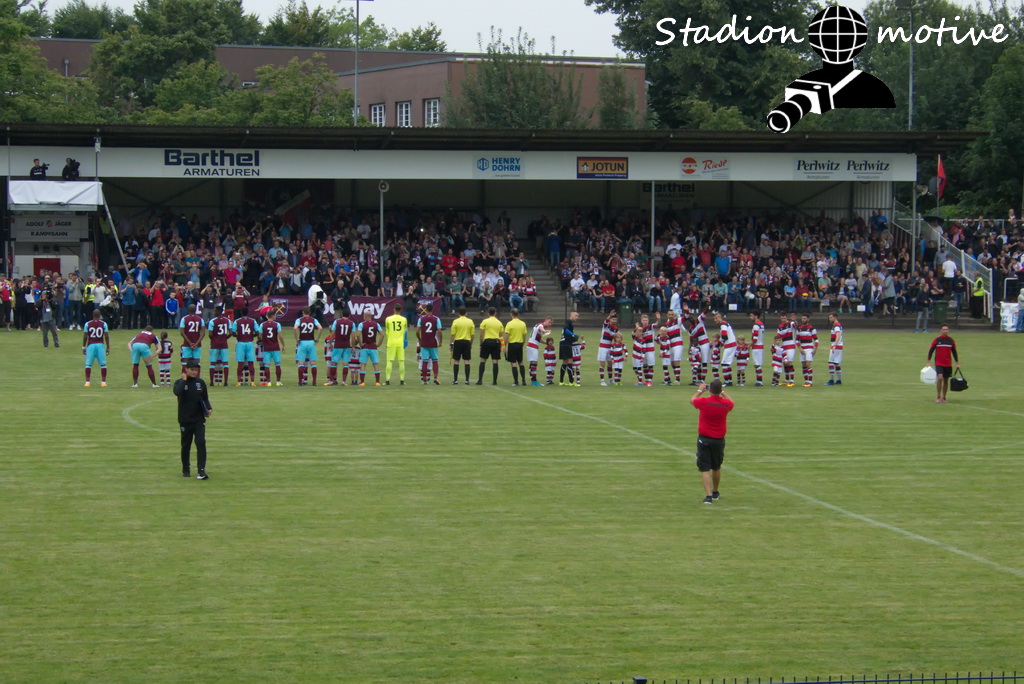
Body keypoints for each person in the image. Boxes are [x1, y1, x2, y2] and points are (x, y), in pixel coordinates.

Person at [691, 378, 734, 505]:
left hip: (704, 438)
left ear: (710, 390)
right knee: (716, 467)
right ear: (720, 390)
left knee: (705, 468)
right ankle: (715, 492)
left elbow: (692, 400)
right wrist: (722, 392)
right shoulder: (725, 404)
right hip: (719, 439)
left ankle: (708, 496)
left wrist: (700, 390)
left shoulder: (704, 402)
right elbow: (731, 402)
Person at [174, 360, 212, 480]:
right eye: (192, 370)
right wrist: (184, 380)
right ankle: (186, 469)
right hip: (185, 419)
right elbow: (177, 392)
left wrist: (209, 408)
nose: (194, 372)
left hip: (198, 419)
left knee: (201, 442)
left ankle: (201, 470)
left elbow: (205, 398)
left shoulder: (200, 383)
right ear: (186, 369)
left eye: (196, 370)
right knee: (186, 445)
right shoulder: (179, 382)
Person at [927, 324, 960, 403]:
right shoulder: (937, 340)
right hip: (939, 363)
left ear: (948, 330)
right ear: (941, 330)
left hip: (948, 363)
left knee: (946, 380)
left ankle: (944, 397)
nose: (945, 331)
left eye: (946, 329)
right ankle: (938, 396)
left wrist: (957, 363)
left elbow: (954, 352)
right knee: (940, 378)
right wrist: (928, 362)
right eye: (943, 329)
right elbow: (931, 350)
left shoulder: (951, 341)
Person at [326, 306, 357, 386]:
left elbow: (332, 333)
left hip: (338, 345)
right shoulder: (352, 323)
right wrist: (353, 346)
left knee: (334, 363)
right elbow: (353, 336)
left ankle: (331, 380)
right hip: (346, 345)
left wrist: (329, 343)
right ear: (349, 315)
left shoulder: (337, 322)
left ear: (341, 314)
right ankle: (343, 381)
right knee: (345, 363)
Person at [294, 307, 322, 386]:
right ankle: (314, 381)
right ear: (310, 313)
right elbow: (320, 328)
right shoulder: (313, 320)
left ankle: (300, 381)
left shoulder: (299, 320)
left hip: (302, 342)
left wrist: (297, 338)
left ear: (303, 312)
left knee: (301, 362)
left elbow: (295, 328)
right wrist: (317, 338)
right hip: (311, 342)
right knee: (313, 363)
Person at [415, 303, 443, 385]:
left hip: (424, 342)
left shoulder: (421, 319)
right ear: (432, 309)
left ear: (425, 309)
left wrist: (420, 339)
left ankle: (424, 379)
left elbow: (417, 331)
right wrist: (440, 341)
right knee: (435, 360)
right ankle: (435, 378)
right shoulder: (436, 319)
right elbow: (439, 331)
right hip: (433, 342)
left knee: (424, 361)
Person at [231, 308, 259, 386]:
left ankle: (239, 382)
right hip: (249, 343)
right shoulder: (253, 321)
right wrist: (251, 335)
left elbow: (233, 333)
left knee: (240, 363)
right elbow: (257, 332)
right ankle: (252, 381)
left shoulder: (237, 321)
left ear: (241, 312)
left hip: (240, 343)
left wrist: (239, 336)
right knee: (251, 363)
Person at [82, 310, 110, 387]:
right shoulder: (104, 324)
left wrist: (83, 346)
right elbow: (106, 336)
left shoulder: (87, 324)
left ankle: (87, 382)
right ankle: (103, 382)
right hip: (100, 345)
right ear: (100, 315)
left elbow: (85, 336)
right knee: (103, 364)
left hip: (91, 345)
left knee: (88, 364)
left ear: (92, 315)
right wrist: (108, 347)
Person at [258, 310, 285, 386]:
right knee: (277, 364)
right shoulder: (277, 324)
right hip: (275, 347)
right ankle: (278, 381)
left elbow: (260, 336)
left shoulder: (262, 325)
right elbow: (280, 336)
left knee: (267, 365)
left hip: (266, 347)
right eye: (275, 315)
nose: (275, 316)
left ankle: (268, 382)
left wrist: (262, 339)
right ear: (272, 316)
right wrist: (283, 345)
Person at [207, 305, 232, 387]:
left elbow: (210, 334)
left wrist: (214, 339)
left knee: (212, 363)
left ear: (218, 311)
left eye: (215, 311)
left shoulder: (212, 321)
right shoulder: (227, 320)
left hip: (215, 344)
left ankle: (211, 382)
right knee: (225, 363)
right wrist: (224, 338)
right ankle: (225, 382)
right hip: (224, 344)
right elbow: (230, 333)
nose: (214, 312)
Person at [383, 303, 408, 385]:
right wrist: (405, 342)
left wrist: (389, 340)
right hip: (400, 343)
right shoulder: (404, 319)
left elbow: (387, 331)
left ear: (394, 309)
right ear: (400, 310)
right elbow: (405, 332)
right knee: (401, 361)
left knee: (389, 361)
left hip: (391, 342)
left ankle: (387, 380)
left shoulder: (388, 319)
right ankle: (402, 380)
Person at [477, 307, 503, 385]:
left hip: (487, 341)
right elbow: (501, 336)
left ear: (488, 313)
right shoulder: (499, 322)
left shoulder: (485, 321)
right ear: (495, 313)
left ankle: (480, 380)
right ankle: (494, 381)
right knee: (495, 361)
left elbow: (481, 334)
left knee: (483, 360)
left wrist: (481, 344)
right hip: (496, 341)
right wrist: (502, 346)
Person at [449, 306, 474, 385]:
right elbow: (472, 334)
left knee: (456, 361)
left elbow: (453, 334)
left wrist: (451, 343)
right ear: (466, 313)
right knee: (466, 360)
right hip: (466, 341)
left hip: (458, 341)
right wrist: (471, 343)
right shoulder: (470, 321)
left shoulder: (455, 321)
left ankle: (455, 380)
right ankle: (467, 380)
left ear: (459, 313)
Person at [357, 309, 383, 386]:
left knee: (363, 364)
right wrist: (378, 344)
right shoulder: (376, 324)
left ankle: (362, 382)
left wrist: (360, 344)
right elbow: (382, 334)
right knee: (375, 364)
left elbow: (358, 335)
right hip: (373, 347)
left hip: (365, 347)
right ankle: (377, 382)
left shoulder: (361, 324)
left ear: (365, 316)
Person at [503, 307, 528, 386]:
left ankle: (516, 381)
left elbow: (507, 336)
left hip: (512, 345)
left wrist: (504, 346)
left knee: (513, 363)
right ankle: (523, 380)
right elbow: (524, 336)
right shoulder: (522, 324)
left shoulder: (509, 324)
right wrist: (522, 344)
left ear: (511, 314)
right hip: (520, 344)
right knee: (521, 362)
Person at [178, 304, 205, 371]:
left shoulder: (184, 319)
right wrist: (196, 343)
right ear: (195, 310)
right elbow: (203, 333)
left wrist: (190, 343)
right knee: (197, 362)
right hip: (197, 345)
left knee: (185, 361)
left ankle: (185, 376)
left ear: (188, 310)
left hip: (187, 344)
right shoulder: (200, 319)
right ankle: (197, 376)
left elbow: (182, 333)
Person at [796, 312, 819, 387]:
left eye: (804, 318)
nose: (803, 320)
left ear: (808, 319)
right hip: (802, 348)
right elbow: (797, 340)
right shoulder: (799, 328)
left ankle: (810, 382)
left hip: (809, 348)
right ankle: (806, 381)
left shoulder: (811, 328)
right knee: (803, 365)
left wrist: (815, 348)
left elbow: (816, 339)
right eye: (802, 318)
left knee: (808, 364)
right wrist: (800, 348)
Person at [597, 311, 619, 386]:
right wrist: (609, 315)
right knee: (602, 364)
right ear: (610, 320)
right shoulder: (606, 325)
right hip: (603, 347)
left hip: (610, 347)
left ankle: (610, 380)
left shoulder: (616, 329)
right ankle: (602, 380)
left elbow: (617, 338)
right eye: (613, 319)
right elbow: (606, 321)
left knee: (610, 364)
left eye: (615, 320)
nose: (614, 321)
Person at [559, 310, 580, 386]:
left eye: (578, 316)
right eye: (576, 316)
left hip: (562, 343)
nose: (577, 317)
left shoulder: (568, 322)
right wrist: (573, 335)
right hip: (566, 344)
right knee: (570, 362)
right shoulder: (569, 322)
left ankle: (561, 381)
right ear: (571, 315)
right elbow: (566, 329)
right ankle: (571, 382)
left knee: (564, 362)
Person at [825, 312, 844, 386]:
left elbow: (838, 335)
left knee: (831, 362)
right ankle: (839, 380)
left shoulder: (836, 326)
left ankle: (831, 380)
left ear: (835, 317)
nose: (830, 319)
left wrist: (834, 345)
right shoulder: (837, 325)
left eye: (831, 317)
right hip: (839, 346)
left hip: (836, 346)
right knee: (836, 363)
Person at [747, 311, 766, 387]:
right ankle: (759, 380)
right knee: (758, 364)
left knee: (757, 364)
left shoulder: (756, 325)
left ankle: (759, 381)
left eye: (752, 316)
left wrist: (749, 345)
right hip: (761, 346)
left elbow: (755, 339)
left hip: (756, 347)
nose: (750, 317)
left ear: (756, 316)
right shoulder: (761, 325)